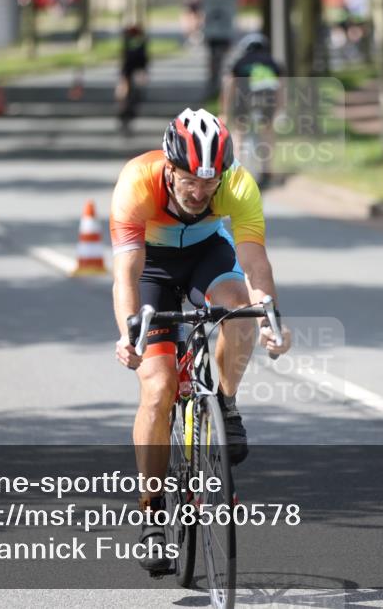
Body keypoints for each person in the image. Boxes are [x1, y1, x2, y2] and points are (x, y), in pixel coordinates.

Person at [110, 107, 292, 573]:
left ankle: (226, 405)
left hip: (207, 256)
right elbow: (126, 274)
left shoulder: (238, 185)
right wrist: (128, 331)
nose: (199, 192)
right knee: (157, 388)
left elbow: (254, 263)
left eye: (209, 183)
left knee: (240, 308)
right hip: (151, 267)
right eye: (189, 180)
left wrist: (270, 315)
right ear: (169, 169)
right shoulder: (136, 182)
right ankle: (151, 513)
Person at [219, 33, 283, 188]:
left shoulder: (240, 63)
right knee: (267, 133)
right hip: (266, 100)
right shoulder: (273, 63)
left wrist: (225, 112)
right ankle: (267, 171)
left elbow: (229, 88)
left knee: (239, 134)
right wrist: (280, 110)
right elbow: (281, 89)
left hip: (244, 99)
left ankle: (235, 172)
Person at [117, 24, 148, 135]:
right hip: (128, 69)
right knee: (125, 94)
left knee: (134, 95)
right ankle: (124, 114)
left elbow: (144, 59)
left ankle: (128, 114)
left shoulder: (140, 41)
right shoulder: (129, 40)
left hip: (135, 68)